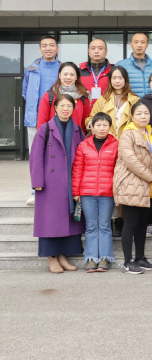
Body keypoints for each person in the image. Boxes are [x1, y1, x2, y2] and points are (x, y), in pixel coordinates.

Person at [30, 94, 85, 273]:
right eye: (62, 105)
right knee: (50, 221)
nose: (65, 109)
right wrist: (37, 181)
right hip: (50, 183)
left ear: (73, 108)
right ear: (55, 108)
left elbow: (83, 155)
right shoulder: (45, 128)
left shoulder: (77, 130)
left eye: (69, 106)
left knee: (68, 219)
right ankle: (51, 257)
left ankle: (63, 256)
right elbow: (36, 156)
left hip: (70, 181)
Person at [114, 101, 152, 274]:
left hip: (150, 186)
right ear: (132, 116)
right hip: (132, 184)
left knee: (142, 225)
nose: (143, 116)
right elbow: (130, 160)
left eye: (146, 113)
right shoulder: (127, 134)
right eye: (139, 113)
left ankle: (140, 257)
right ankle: (128, 262)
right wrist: (151, 176)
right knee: (130, 224)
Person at [72, 112, 118, 273]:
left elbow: (119, 170)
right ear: (91, 127)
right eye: (98, 125)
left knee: (105, 225)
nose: (101, 128)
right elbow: (77, 170)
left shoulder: (115, 145)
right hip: (87, 192)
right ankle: (91, 258)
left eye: (105, 125)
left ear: (110, 127)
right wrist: (76, 192)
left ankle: (105, 258)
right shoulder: (83, 145)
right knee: (91, 226)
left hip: (107, 192)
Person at [23, 35, 60, 203]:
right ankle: (34, 192)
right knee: (36, 156)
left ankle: (55, 191)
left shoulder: (63, 68)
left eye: (51, 45)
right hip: (34, 120)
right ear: (40, 49)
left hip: (57, 120)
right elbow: (25, 92)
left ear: (57, 48)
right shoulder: (31, 69)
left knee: (56, 156)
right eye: (44, 45)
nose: (48, 48)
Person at [36, 62, 91, 133]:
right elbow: (42, 122)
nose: (68, 77)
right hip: (53, 137)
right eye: (65, 74)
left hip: (76, 137)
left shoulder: (83, 97)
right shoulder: (49, 96)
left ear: (76, 77)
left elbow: (84, 124)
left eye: (72, 75)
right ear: (59, 75)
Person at [87, 66, 139, 139]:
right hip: (106, 141)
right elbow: (91, 119)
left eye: (120, 78)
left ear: (125, 79)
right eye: (114, 78)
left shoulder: (135, 100)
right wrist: (93, 127)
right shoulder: (103, 99)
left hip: (128, 140)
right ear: (110, 80)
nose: (117, 81)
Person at [116, 32, 152, 98]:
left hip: (151, 103)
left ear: (147, 45)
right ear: (131, 44)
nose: (139, 45)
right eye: (136, 42)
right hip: (129, 103)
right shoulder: (121, 65)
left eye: (142, 42)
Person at [79, 37, 112, 111]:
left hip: (106, 112)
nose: (96, 51)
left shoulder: (113, 71)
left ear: (106, 51)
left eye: (100, 48)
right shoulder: (79, 71)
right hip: (84, 112)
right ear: (88, 51)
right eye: (93, 48)